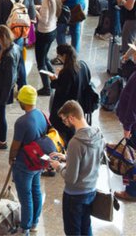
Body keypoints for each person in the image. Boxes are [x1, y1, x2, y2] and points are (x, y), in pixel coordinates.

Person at [47, 100, 103, 236]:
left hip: (74, 195)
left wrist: (58, 166)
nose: (64, 123)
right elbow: (92, 159)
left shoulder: (75, 142)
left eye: (64, 120)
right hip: (91, 190)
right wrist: (67, 157)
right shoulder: (97, 134)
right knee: (86, 227)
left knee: (72, 231)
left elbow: (71, 178)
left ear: (71, 117)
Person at [9, 85, 47, 234]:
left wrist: (11, 159)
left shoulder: (22, 122)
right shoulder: (41, 115)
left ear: (23, 101)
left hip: (24, 164)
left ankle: (24, 227)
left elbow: (15, 145)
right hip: (38, 161)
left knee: (25, 197)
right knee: (36, 191)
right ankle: (34, 223)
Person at [48, 44, 91, 146]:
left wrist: (54, 81)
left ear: (64, 56)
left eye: (59, 56)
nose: (59, 58)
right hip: (80, 103)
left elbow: (62, 92)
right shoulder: (81, 65)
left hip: (67, 108)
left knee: (64, 131)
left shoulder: (67, 71)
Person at [35, 0, 61, 96]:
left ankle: (46, 87)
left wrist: (34, 11)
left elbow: (43, 20)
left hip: (44, 32)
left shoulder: (46, 0)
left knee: (40, 62)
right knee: (45, 57)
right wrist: (40, 8)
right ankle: (55, 80)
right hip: (52, 30)